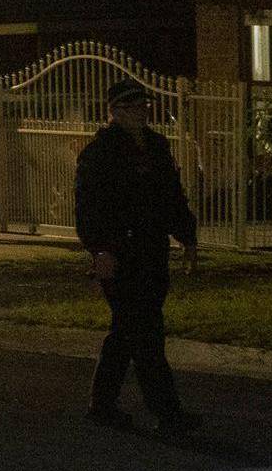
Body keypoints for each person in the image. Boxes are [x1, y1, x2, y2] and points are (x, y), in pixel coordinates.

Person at [76, 78, 200, 433]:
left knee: (127, 332)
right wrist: (100, 250)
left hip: (151, 250)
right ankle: (167, 412)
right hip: (119, 254)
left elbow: (171, 198)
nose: (141, 113)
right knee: (145, 333)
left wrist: (187, 235)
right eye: (132, 108)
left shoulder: (157, 148)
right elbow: (89, 209)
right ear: (113, 112)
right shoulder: (100, 154)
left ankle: (102, 406)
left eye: (144, 107)